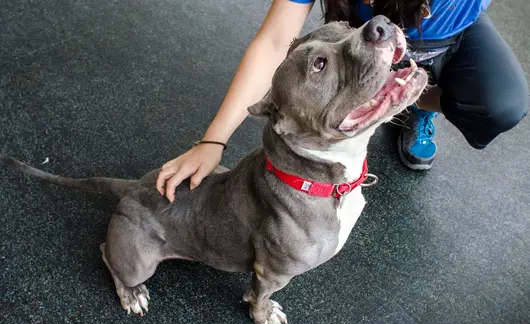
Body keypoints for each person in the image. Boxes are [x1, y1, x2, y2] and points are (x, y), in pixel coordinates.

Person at [157, 0, 528, 202]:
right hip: (364, 34)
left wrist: (399, 91)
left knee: (500, 105)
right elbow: (273, 42)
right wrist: (213, 140)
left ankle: (408, 103)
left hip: (441, 34)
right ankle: (384, 93)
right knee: (344, 49)